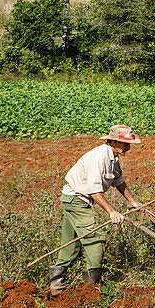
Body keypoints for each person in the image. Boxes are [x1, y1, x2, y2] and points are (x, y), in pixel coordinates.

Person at [48, 125, 143, 296]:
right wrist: (112, 212)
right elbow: (94, 190)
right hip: (76, 199)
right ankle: (92, 289)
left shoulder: (113, 157)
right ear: (113, 141)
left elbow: (118, 181)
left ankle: (57, 284)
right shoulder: (99, 158)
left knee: (73, 242)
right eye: (125, 144)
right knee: (95, 239)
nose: (128, 148)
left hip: (75, 198)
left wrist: (133, 201)